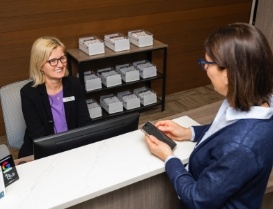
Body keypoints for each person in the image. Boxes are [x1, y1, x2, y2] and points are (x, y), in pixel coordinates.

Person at [145, 23, 273, 209]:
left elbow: (198, 199)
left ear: (228, 73)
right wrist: (189, 132)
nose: (204, 68)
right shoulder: (254, 98)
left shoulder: (240, 146)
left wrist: (169, 158)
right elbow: (225, 129)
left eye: (207, 64)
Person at [18, 36, 91, 158]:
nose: (60, 65)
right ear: (40, 65)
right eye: (53, 61)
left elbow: (84, 122)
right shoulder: (28, 94)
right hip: (44, 153)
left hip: (74, 148)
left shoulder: (74, 84)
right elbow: (38, 135)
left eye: (62, 58)